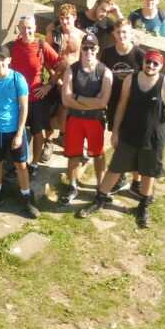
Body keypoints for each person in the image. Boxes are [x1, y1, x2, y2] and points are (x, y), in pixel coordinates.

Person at [77, 51, 165, 228]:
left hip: (153, 138)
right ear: (144, 62)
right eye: (148, 62)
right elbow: (122, 105)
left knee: (148, 173)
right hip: (129, 134)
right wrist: (115, 132)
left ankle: (143, 207)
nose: (151, 66)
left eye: (155, 64)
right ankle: (99, 200)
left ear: (161, 66)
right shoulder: (130, 80)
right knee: (115, 168)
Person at [0, 44, 38, 218]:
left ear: (9, 60)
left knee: (21, 165)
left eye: (3, 59)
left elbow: (24, 107)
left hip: (14, 131)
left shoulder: (17, 79)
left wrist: (20, 133)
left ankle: (26, 197)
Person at [58, 33, 113, 205]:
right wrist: (92, 103)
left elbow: (103, 102)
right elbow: (65, 100)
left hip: (95, 120)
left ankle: (100, 185)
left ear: (97, 49)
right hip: (74, 119)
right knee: (73, 154)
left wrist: (78, 98)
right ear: (81, 49)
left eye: (92, 48)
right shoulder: (72, 69)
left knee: (98, 154)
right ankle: (72, 185)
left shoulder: (105, 71)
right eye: (85, 47)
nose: (89, 51)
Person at [7, 15, 62, 178]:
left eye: (30, 27)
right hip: (17, 99)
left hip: (36, 98)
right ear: (18, 28)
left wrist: (49, 85)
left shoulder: (41, 45)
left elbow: (62, 66)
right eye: (23, 28)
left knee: (37, 132)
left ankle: (35, 164)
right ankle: (18, 163)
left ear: (35, 28)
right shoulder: (11, 47)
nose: (27, 31)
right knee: (17, 131)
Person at [100, 17, 146, 194]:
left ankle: (137, 180)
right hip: (113, 104)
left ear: (130, 32)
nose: (121, 36)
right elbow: (103, 75)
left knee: (135, 143)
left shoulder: (139, 55)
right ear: (114, 34)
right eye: (118, 32)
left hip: (134, 106)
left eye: (125, 32)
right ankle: (121, 177)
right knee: (118, 141)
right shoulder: (108, 52)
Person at [43, 3, 85, 157]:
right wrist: (55, 78)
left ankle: (63, 135)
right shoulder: (52, 35)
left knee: (66, 109)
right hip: (56, 77)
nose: (65, 22)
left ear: (74, 18)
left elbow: (83, 59)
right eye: (62, 19)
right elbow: (46, 59)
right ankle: (48, 141)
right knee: (51, 112)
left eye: (67, 18)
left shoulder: (81, 36)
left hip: (74, 79)